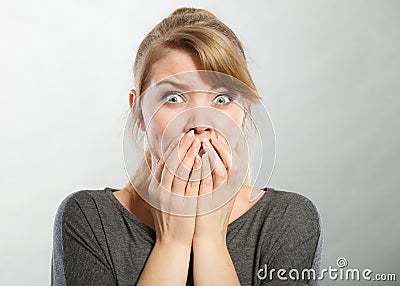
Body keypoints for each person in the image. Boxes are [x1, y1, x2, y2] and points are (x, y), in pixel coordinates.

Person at [51, 7, 322, 286]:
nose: (200, 122)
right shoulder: (88, 218)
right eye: (174, 98)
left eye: (221, 98)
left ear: (245, 111)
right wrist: (172, 243)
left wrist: (210, 241)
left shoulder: (288, 220)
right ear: (138, 113)